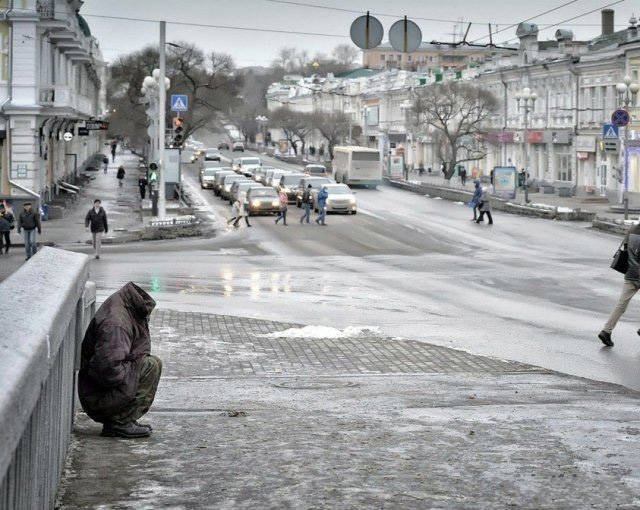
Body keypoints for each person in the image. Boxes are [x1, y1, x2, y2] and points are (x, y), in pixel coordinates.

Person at [78, 282, 162, 438]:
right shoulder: (117, 323)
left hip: (99, 390)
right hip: (99, 395)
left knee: (147, 364)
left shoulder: (125, 305)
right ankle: (119, 422)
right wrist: (132, 375)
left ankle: (124, 418)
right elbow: (108, 369)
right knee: (150, 366)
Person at [599, 223, 640, 347]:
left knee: (621, 305)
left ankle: (606, 331)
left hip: (630, 273)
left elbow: (626, 249)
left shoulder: (632, 229)